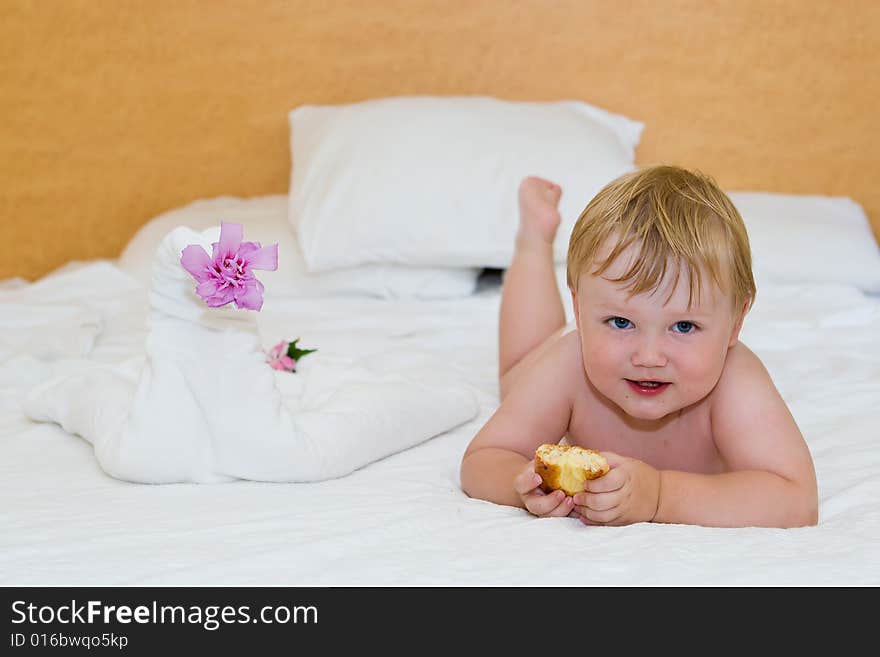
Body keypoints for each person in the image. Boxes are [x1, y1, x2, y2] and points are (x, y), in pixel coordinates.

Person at [460, 165, 818, 528]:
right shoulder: (570, 366)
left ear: (736, 322)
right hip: (563, 351)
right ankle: (535, 240)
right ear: (580, 310)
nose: (648, 357)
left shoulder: (735, 380)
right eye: (621, 322)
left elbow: (796, 499)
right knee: (516, 377)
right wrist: (520, 484)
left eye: (683, 326)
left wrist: (661, 495)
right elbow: (483, 458)